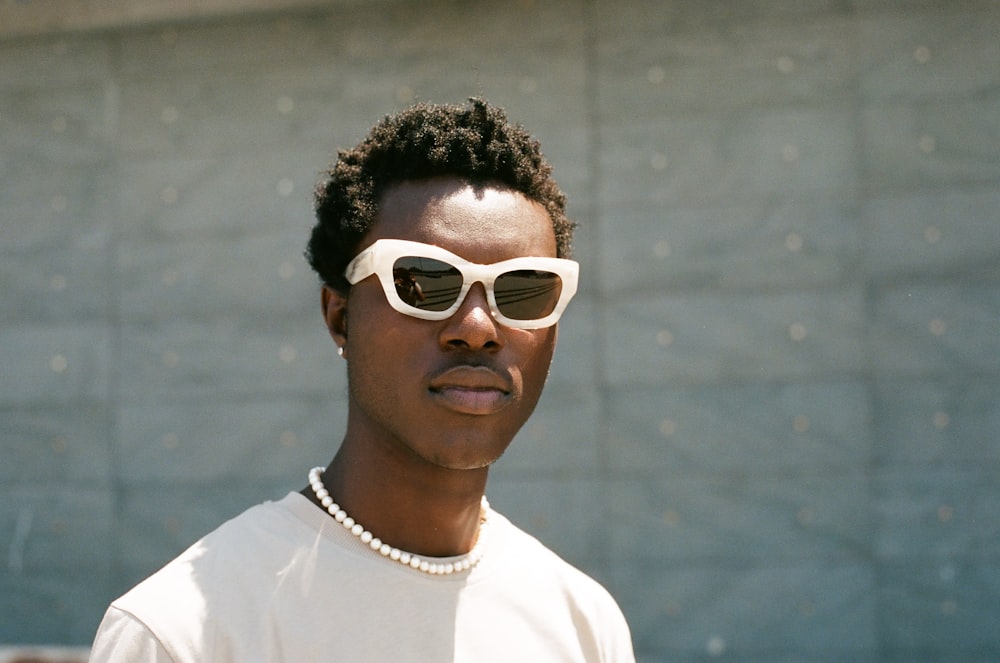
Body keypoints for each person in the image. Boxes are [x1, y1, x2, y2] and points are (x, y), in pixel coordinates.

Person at [89, 98, 635, 662]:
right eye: (423, 282)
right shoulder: (184, 633)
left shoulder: (583, 625)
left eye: (524, 289)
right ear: (340, 316)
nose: (477, 328)